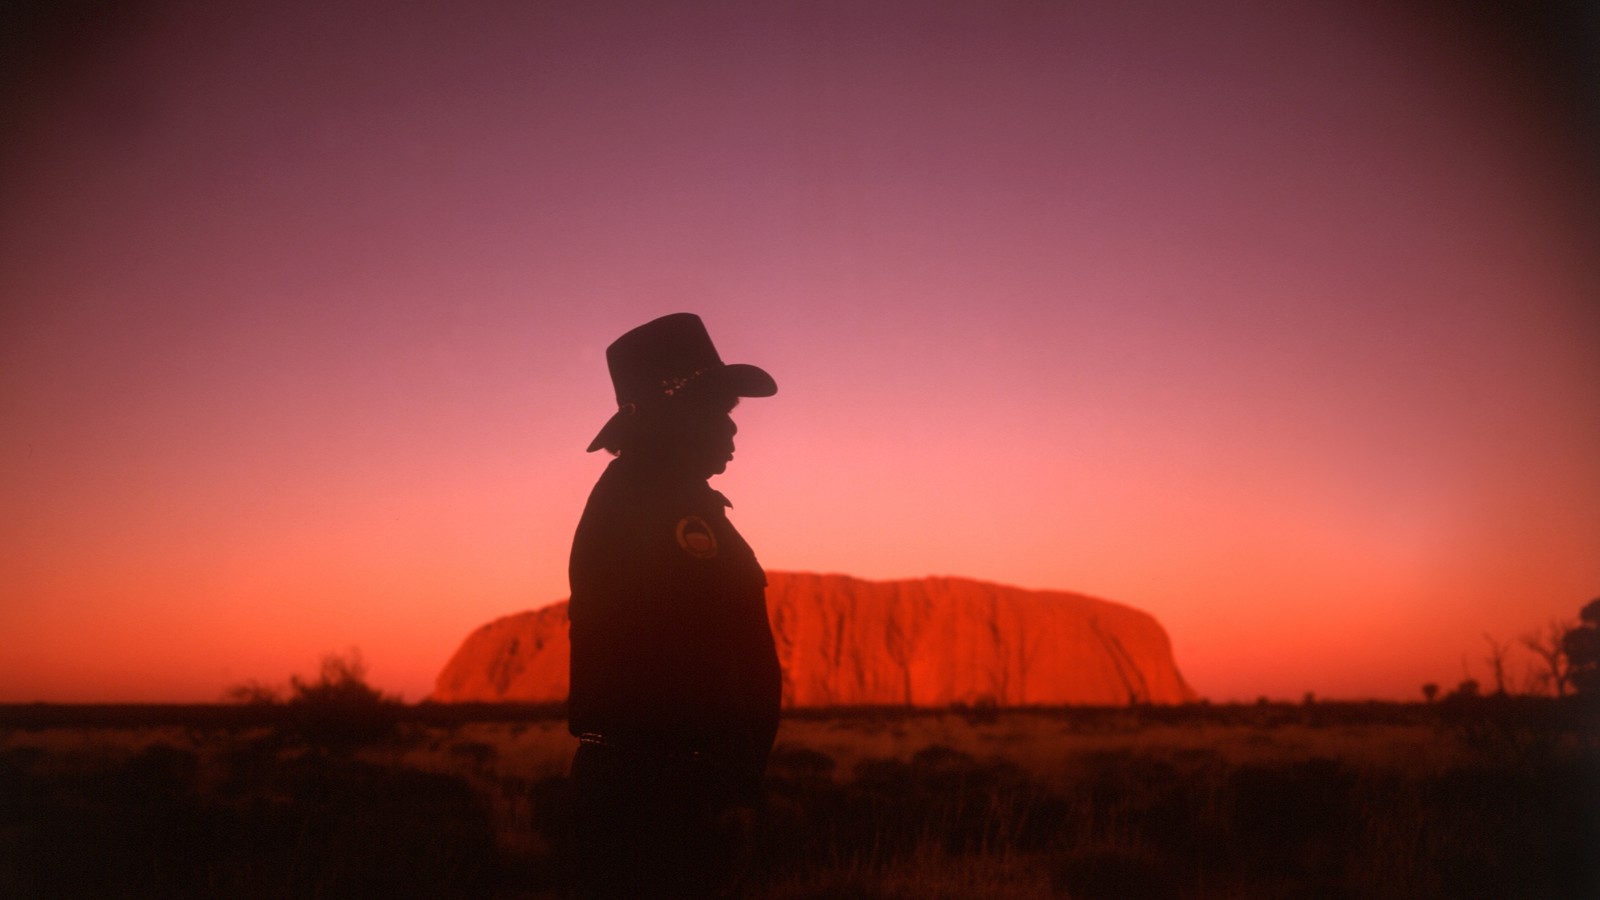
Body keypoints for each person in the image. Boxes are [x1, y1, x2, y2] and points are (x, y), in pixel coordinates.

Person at [567, 313, 783, 898]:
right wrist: (731, 789)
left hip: (660, 786)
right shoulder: (657, 509)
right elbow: (698, 660)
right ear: (675, 417)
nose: (733, 432)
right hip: (664, 795)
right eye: (720, 412)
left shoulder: (664, 500)